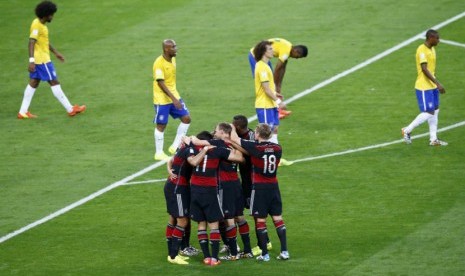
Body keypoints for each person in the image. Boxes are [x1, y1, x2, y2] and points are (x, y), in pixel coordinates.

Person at [228, 123, 290, 262]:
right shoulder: (278, 148)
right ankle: (284, 251)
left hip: (260, 188)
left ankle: (264, 254)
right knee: (277, 218)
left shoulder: (255, 147)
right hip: (274, 187)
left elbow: (235, 139)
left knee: (261, 220)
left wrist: (232, 127)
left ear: (258, 134)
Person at [18, 1, 86, 119]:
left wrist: (55, 53)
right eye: (51, 14)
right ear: (45, 14)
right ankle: (70, 109)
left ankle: (22, 112)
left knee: (34, 83)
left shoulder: (39, 24)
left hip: (41, 59)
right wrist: (31, 60)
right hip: (42, 61)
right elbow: (31, 42)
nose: (52, 17)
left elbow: (44, 42)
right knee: (54, 82)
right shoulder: (37, 26)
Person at [187, 129, 244, 266]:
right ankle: (214, 258)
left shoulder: (192, 149)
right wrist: (235, 145)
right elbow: (240, 158)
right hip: (210, 190)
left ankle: (206, 257)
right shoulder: (218, 150)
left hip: (194, 190)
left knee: (201, 224)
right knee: (214, 225)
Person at [401, 30, 448, 146]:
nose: (439, 40)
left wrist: (435, 84)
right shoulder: (421, 50)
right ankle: (407, 130)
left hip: (432, 86)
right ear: (430, 38)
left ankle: (433, 139)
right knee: (429, 112)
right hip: (423, 87)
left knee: (435, 111)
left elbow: (432, 69)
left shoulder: (432, 49)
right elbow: (424, 69)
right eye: (437, 38)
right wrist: (438, 83)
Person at [252, 40, 293, 166]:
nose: (273, 50)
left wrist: (276, 94)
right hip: (264, 105)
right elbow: (266, 89)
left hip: (270, 104)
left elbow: (270, 88)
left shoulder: (266, 64)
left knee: (274, 129)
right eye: (270, 49)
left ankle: (276, 158)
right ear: (263, 52)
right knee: (264, 133)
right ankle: (257, 159)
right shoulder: (261, 67)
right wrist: (278, 101)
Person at [248, 38, 308, 119]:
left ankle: (277, 109)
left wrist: (279, 84)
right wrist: (275, 84)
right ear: (296, 51)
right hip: (255, 56)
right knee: (265, 86)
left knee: (270, 86)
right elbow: (278, 68)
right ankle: (272, 109)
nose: (296, 58)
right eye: (298, 56)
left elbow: (283, 68)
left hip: (263, 56)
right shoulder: (286, 51)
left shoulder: (288, 48)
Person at [152, 39, 191, 161]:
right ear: (166, 49)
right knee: (161, 125)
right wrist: (174, 99)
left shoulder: (173, 59)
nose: (176, 48)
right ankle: (159, 153)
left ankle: (175, 146)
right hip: (162, 99)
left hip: (174, 95)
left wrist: (175, 97)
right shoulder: (159, 63)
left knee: (186, 119)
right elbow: (160, 83)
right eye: (173, 47)